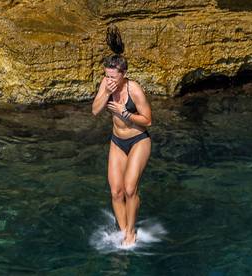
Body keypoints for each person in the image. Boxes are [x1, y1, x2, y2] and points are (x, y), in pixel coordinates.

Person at [92, 25, 152, 246]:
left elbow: (148, 120)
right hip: (117, 141)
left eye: (113, 77)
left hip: (138, 140)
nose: (109, 80)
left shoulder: (134, 89)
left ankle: (131, 231)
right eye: (106, 76)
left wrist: (125, 113)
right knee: (116, 192)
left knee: (129, 188)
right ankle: (123, 228)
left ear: (123, 75)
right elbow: (95, 110)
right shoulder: (106, 85)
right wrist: (106, 92)